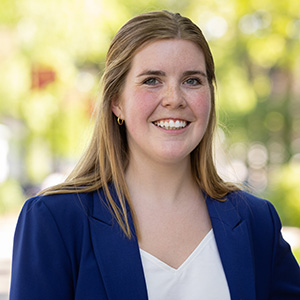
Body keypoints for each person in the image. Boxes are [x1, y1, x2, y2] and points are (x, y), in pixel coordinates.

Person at [10, 10, 300, 300]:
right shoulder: (55, 221)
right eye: (152, 80)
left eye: (192, 81)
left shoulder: (256, 221)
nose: (174, 98)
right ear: (116, 102)